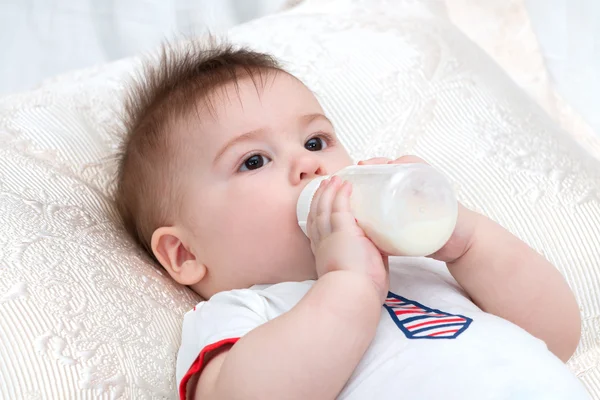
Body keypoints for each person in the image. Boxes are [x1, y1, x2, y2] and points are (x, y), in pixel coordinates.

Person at [115, 40, 588, 400]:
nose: (307, 165)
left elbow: (559, 336)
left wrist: (465, 242)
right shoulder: (244, 314)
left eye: (316, 141)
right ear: (185, 254)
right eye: (254, 160)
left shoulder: (416, 263)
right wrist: (350, 284)